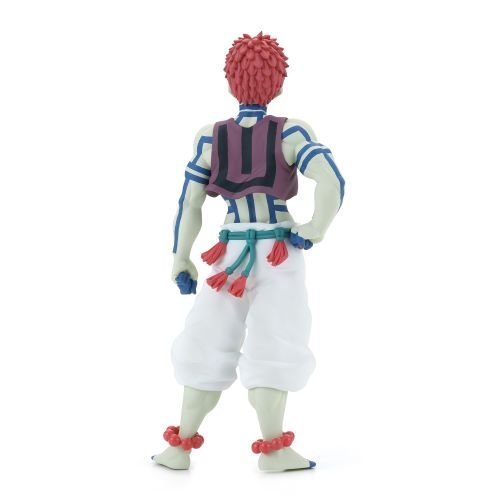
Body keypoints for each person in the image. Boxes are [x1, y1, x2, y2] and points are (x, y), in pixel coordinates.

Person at [153, 32, 345, 472]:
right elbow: (331, 180)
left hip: (228, 254)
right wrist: (313, 230)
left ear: (230, 80)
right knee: (278, 339)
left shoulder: (210, 138)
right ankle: (273, 450)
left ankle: (179, 446)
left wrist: (180, 257)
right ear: (279, 82)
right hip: (279, 249)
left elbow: (190, 203)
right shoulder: (292, 132)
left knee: (207, 337)